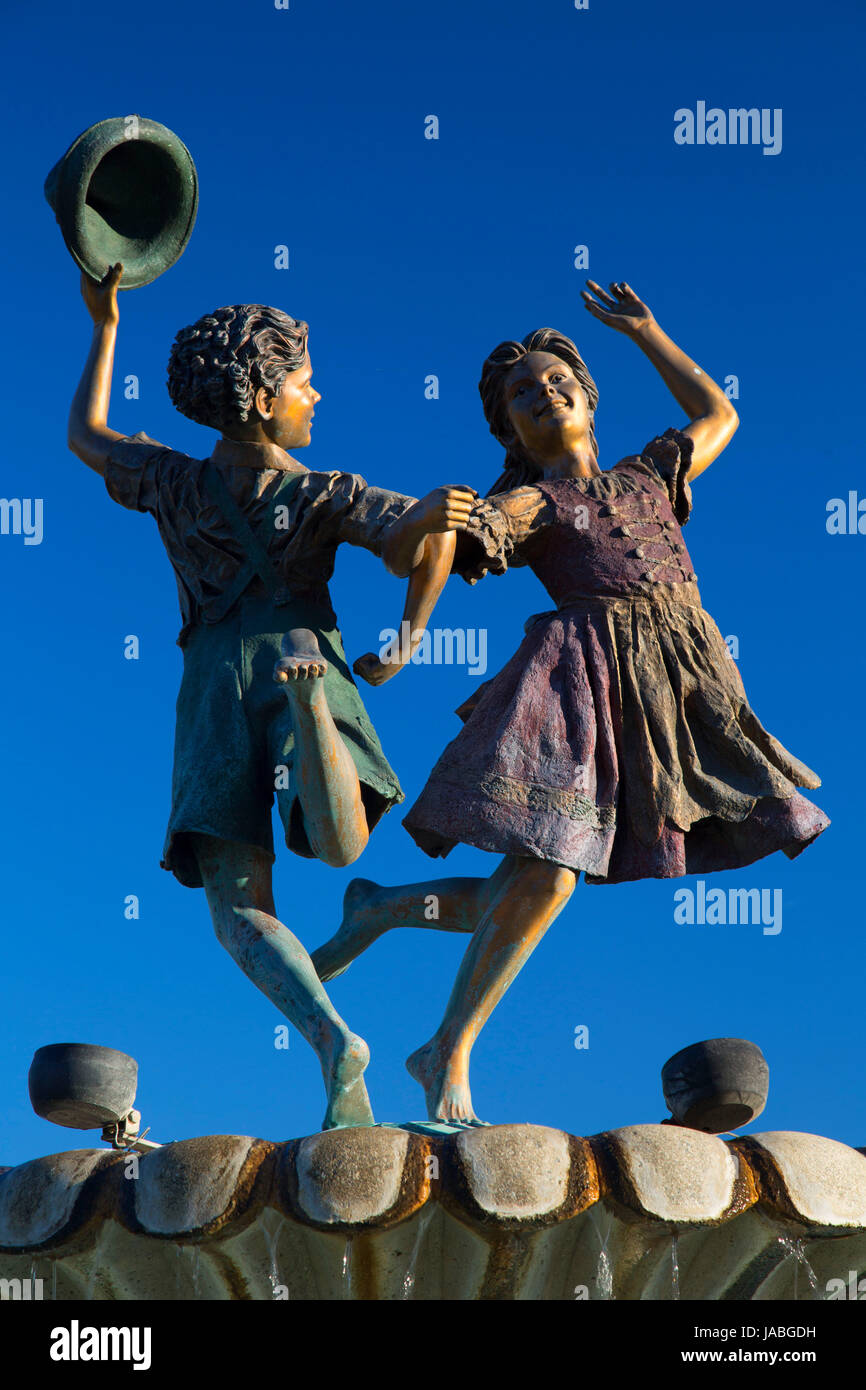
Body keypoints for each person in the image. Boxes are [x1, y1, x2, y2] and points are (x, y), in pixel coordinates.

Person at [312, 279, 830, 1126]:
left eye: (558, 382)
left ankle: (385, 909)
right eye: (523, 395)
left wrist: (650, 333)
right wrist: (410, 639)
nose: (543, 395)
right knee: (551, 874)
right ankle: (447, 1047)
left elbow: (719, 415)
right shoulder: (532, 502)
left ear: (588, 398)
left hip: (673, 691)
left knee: (536, 882)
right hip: (577, 686)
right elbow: (448, 535)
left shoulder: (650, 473)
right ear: (508, 429)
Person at [67, 262, 476, 1129]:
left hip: (211, 678)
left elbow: (87, 433)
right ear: (260, 396)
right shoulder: (328, 493)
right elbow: (422, 543)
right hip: (305, 655)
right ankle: (310, 717)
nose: (316, 396)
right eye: (302, 382)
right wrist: (406, 640)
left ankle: (332, 1040)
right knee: (339, 849)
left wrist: (105, 325)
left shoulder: (173, 482)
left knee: (238, 907)